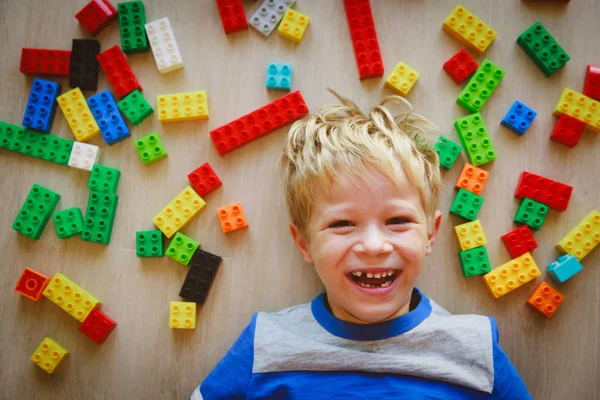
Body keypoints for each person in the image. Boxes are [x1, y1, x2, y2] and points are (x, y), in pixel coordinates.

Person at [191, 91, 532, 399]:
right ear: (304, 243)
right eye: (342, 224)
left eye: (397, 221)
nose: (373, 245)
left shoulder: (475, 348)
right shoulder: (265, 343)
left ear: (430, 234)